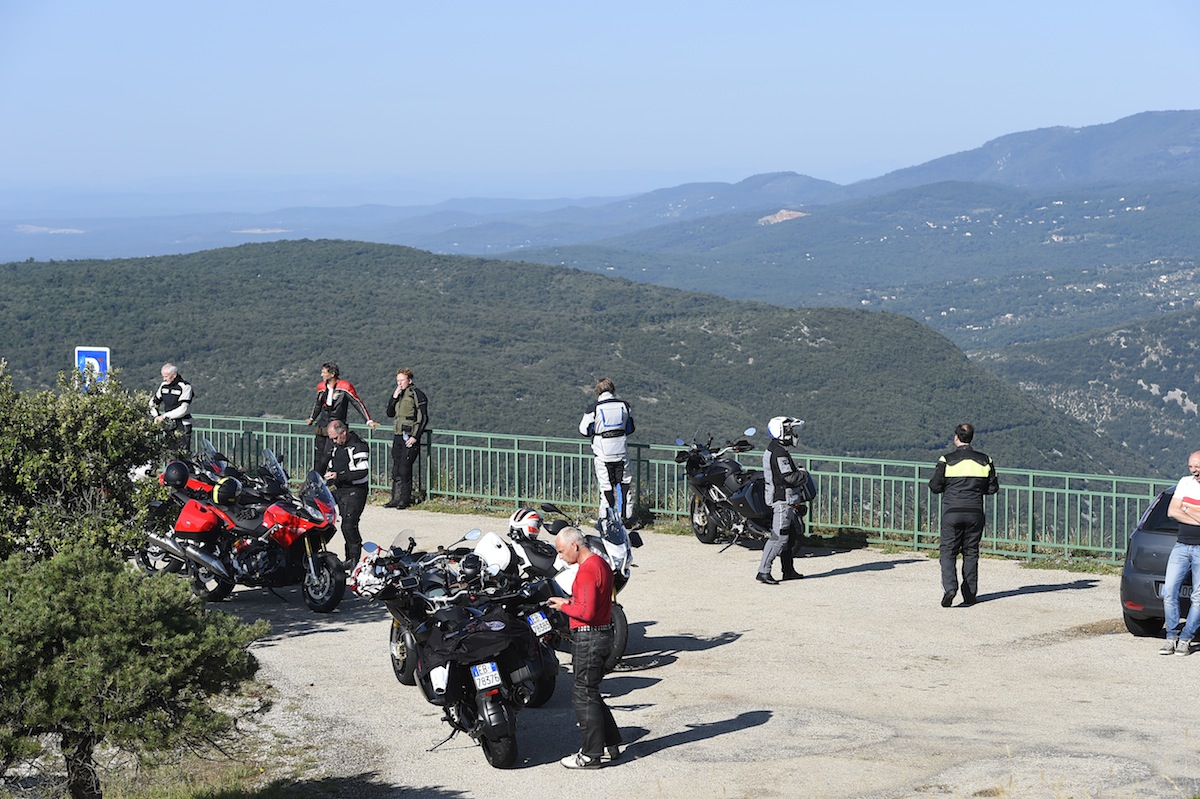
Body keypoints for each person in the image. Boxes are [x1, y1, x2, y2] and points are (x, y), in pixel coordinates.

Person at [546, 526, 622, 769]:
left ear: (574, 546)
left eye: (561, 551)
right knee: (590, 691)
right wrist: (568, 601)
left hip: (588, 637)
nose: (560, 556)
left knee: (583, 694)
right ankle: (611, 742)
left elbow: (586, 612)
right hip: (601, 634)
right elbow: (593, 602)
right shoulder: (600, 564)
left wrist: (564, 608)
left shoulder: (588, 571)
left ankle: (590, 755)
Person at [928, 423, 999, 607]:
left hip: (952, 512)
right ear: (971, 438)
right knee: (971, 553)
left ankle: (950, 588)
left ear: (956, 437)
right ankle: (969, 594)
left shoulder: (946, 460)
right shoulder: (985, 460)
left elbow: (935, 487)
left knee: (948, 551)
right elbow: (992, 488)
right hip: (975, 512)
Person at [758, 415, 808, 585]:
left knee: (790, 535)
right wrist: (803, 474)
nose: (793, 433)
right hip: (782, 500)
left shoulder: (775, 448)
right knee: (779, 537)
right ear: (782, 432)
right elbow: (788, 477)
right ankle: (763, 571)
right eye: (790, 430)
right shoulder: (779, 453)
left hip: (787, 499)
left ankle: (788, 570)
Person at [579, 377, 635, 524]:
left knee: (606, 486)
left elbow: (584, 430)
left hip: (602, 451)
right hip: (621, 450)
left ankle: (606, 518)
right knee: (624, 485)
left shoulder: (594, 408)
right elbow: (630, 427)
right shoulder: (625, 405)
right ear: (613, 389)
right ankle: (626, 517)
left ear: (597, 391)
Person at [305, 362, 378, 474]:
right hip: (322, 425)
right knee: (318, 458)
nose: (322, 375)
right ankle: (316, 482)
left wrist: (369, 421)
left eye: (324, 372)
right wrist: (312, 418)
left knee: (327, 456)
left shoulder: (345, 387)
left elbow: (357, 403)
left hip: (336, 425)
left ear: (332, 374)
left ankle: (326, 479)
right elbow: (318, 404)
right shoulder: (321, 387)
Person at [1160, 450, 1200, 655]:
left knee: (1199, 597)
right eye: (1192, 466)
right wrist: (1192, 513)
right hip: (1182, 545)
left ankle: (1186, 637)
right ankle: (1171, 636)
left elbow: (1179, 509)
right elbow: (1171, 511)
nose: (1195, 471)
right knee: (1169, 592)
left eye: (1198, 466)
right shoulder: (1184, 482)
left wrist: (1185, 509)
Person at [321, 419, 370, 569]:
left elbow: (362, 471)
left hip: (356, 490)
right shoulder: (337, 447)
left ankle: (353, 560)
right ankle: (346, 560)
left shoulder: (359, 446)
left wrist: (339, 475)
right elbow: (330, 465)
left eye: (336, 438)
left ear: (343, 432)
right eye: (332, 439)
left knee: (349, 525)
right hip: (340, 489)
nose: (334, 442)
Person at [383, 368, 429, 510]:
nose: (399, 383)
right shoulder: (399, 394)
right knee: (396, 468)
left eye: (402, 380)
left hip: (410, 435)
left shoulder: (417, 394)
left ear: (409, 380)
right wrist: (394, 397)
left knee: (404, 468)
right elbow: (390, 413)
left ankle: (404, 499)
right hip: (398, 435)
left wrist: (416, 436)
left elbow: (423, 417)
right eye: (398, 380)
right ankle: (395, 499)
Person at [151, 363, 195, 454]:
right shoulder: (163, 386)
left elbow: (184, 409)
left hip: (183, 425)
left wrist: (164, 416)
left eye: (166, 376)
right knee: (170, 453)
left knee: (184, 453)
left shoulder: (185, 386)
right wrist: (156, 416)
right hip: (169, 425)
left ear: (174, 375)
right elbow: (153, 403)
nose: (164, 379)